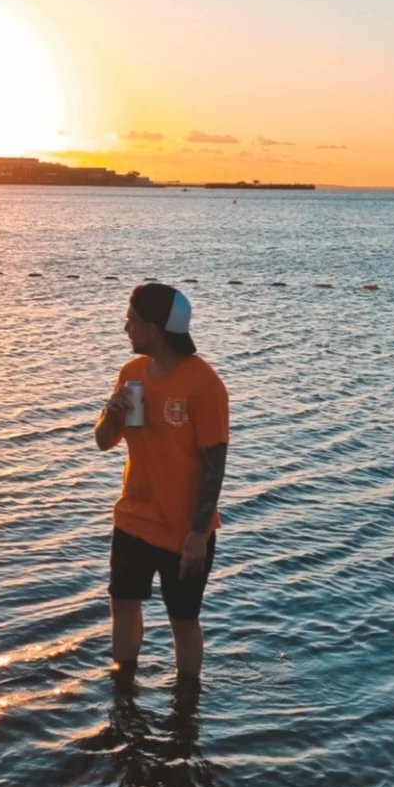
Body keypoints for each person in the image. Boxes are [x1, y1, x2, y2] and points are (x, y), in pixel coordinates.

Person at [95, 283, 229, 684]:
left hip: (182, 529)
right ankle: (122, 688)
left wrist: (196, 535)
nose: (126, 329)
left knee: (183, 620)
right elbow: (104, 442)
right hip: (134, 518)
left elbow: (214, 466)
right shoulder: (133, 374)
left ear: (154, 328)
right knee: (123, 603)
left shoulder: (203, 384)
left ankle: (186, 707)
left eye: (132, 321)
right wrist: (111, 413)